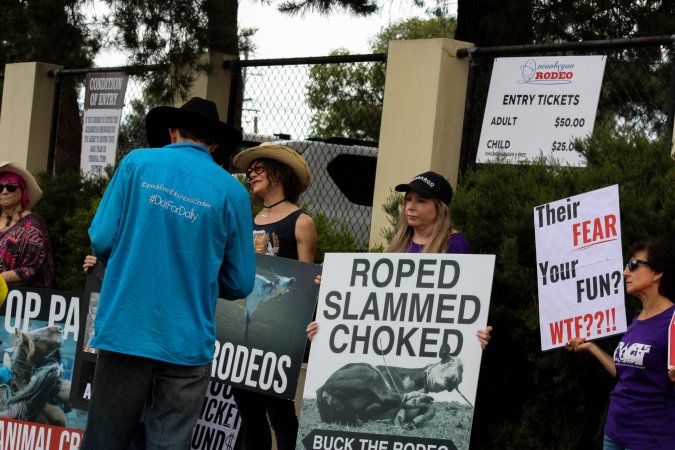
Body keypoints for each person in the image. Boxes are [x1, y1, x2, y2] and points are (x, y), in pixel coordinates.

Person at [80, 97, 256, 450]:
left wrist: (135, 257)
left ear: (172, 131)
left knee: (106, 440)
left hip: (127, 328)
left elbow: (100, 238)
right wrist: (198, 272)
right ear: (215, 143)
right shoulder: (233, 192)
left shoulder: (136, 164)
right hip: (187, 341)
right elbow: (241, 282)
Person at [307, 170, 492, 348]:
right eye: (408, 199)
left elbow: (464, 306)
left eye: (421, 201)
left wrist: (475, 334)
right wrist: (334, 293)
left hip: (429, 345)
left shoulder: (456, 245)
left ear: (440, 207)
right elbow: (376, 299)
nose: (410, 207)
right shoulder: (399, 244)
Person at [229, 142, 317, 450]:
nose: (250, 174)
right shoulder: (246, 221)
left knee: (279, 413)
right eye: (250, 170)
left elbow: (306, 284)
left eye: (258, 168)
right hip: (244, 334)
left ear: (278, 173)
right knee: (249, 414)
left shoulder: (301, 222)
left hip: (280, 336)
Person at [566, 238, 675, 450]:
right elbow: (623, 373)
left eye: (634, 265)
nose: (625, 272)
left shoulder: (673, 321)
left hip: (651, 439)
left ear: (657, 273)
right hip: (614, 433)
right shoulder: (637, 319)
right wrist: (591, 347)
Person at [0, 161, 53, 288]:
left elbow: (32, 269)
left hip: (20, 300)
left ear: (22, 191)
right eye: (0, 188)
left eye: (11, 187)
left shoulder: (33, 224)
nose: (4, 192)